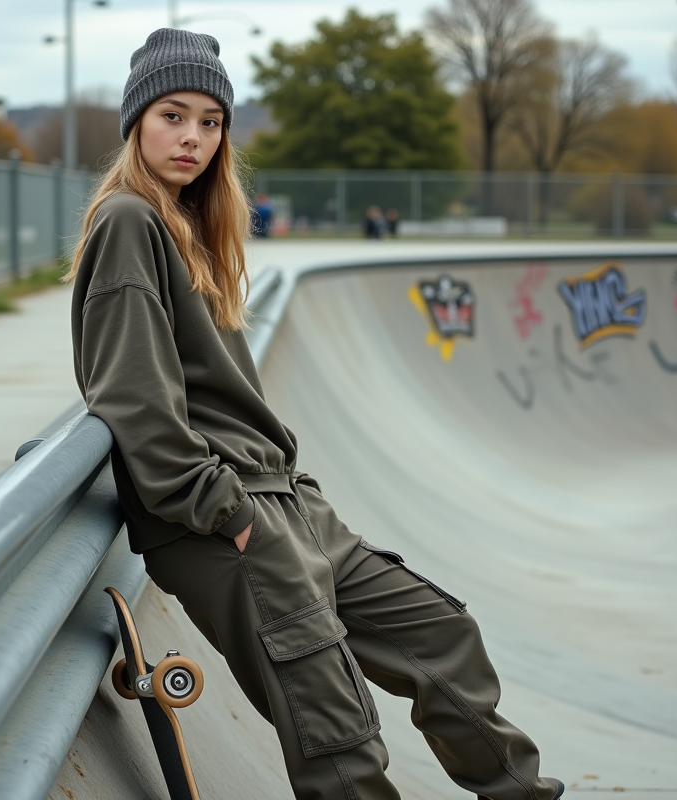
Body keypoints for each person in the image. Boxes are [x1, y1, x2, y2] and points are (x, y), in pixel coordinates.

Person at [69, 28, 563, 800]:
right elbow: (133, 399)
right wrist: (227, 511)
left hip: (288, 501)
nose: (193, 137)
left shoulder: (190, 225)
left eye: (210, 120)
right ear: (136, 121)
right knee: (339, 735)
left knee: (439, 635)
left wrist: (282, 499)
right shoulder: (129, 221)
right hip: (224, 522)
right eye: (173, 115)